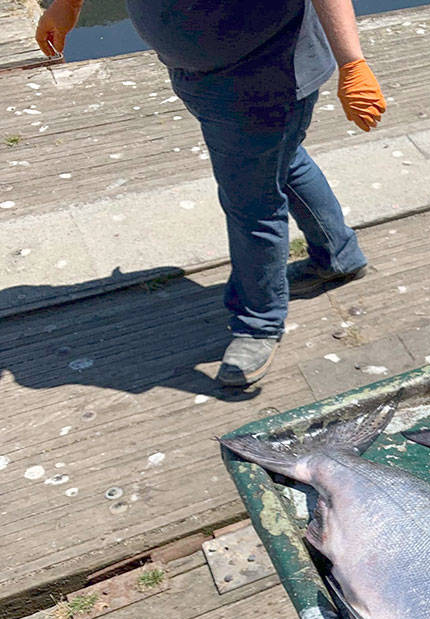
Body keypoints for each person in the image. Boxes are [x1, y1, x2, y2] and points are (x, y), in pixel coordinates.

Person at [36, 0, 387, 386]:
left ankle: (259, 325)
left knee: (252, 205)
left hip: (264, 75)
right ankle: (338, 256)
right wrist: (67, 5)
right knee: (277, 161)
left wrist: (351, 62)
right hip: (200, 72)